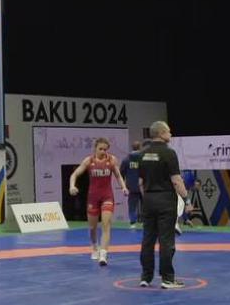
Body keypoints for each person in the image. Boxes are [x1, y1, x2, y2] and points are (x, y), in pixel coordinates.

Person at [138, 121, 191, 288]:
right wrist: (187, 199)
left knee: (148, 239)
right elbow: (176, 180)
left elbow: (140, 182)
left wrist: (148, 197)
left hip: (148, 199)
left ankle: (145, 277)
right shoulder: (169, 153)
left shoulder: (142, 154)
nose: (171, 134)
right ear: (161, 133)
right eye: (168, 131)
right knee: (166, 240)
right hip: (166, 200)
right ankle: (167, 278)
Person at [69, 138, 128, 266]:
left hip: (107, 196)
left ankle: (103, 253)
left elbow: (118, 176)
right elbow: (74, 175)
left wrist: (123, 187)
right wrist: (72, 186)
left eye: (105, 149)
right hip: (93, 198)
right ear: (95, 148)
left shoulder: (112, 160)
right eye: (100, 149)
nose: (103, 151)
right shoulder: (89, 160)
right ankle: (95, 246)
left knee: (106, 225)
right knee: (92, 227)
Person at [120, 140, 143, 227]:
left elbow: (121, 174)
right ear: (140, 147)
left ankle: (133, 222)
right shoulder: (143, 159)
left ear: (132, 148)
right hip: (143, 186)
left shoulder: (126, 160)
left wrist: (123, 186)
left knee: (132, 205)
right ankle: (144, 221)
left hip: (131, 186)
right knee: (145, 204)